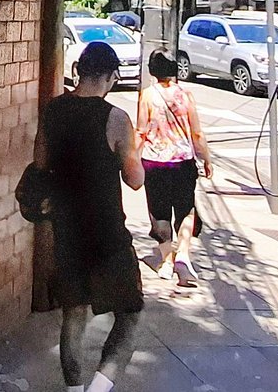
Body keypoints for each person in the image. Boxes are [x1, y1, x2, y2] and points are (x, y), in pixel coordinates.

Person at [35, 40, 145, 392]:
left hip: (66, 230)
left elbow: (40, 164)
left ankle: (74, 389)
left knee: (73, 315)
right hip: (107, 234)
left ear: (79, 71)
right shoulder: (116, 118)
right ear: (112, 76)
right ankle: (98, 388)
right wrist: (133, 149)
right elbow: (135, 179)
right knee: (129, 315)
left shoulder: (53, 111)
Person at [136, 50, 212, 288]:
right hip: (182, 162)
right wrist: (206, 158)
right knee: (186, 209)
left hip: (154, 162)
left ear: (152, 70)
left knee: (159, 212)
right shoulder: (186, 95)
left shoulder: (147, 95)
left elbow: (141, 131)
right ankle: (184, 254)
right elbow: (197, 133)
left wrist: (131, 158)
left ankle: (167, 261)